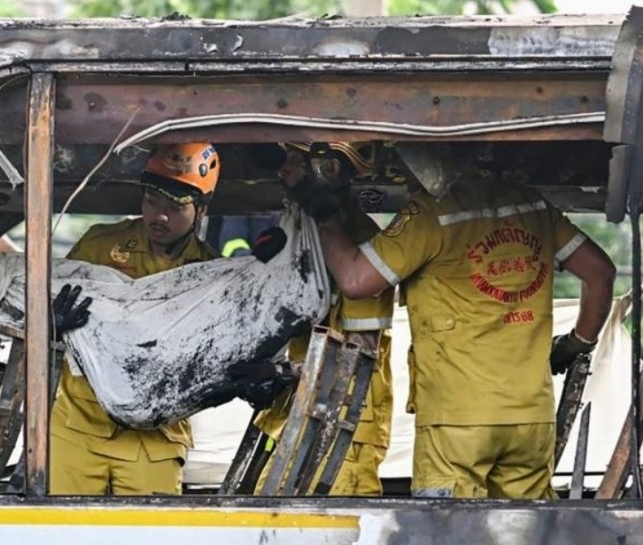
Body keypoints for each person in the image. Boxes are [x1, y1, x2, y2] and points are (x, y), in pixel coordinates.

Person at [309, 147, 616, 499]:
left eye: (402, 171)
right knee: (525, 539)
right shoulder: (533, 206)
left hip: (457, 422)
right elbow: (601, 273)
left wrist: (322, 210)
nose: (403, 179)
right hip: (531, 416)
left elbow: (354, 280)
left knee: (448, 534)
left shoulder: (431, 215)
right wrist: (577, 343)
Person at [49, 142, 222, 495]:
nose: (159, 216)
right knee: (64, 538)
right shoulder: (99, 245)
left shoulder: (211, 273)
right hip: (78, 423)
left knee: (150, 544)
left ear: (201, 210)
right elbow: (47, 308)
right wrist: (53, 322)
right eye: (151, 202)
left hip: (156, 436)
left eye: (174, 208)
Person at [232, 141, 395, 496]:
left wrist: (283, 372)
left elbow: (359, 355)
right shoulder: (299, 233)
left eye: (294, 162)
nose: (282, 171)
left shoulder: (362, 243)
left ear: (330, 169)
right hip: (296, 415)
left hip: (342, 430)